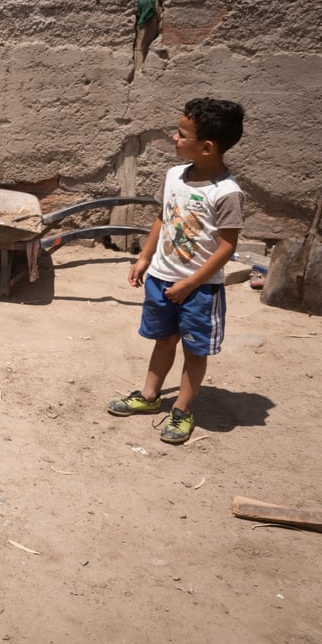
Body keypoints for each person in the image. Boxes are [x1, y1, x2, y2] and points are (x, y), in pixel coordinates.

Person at [106, 98, 245, 444]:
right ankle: (149, 397)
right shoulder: (173, 176)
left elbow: (227, 246)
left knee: (194, 350)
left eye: (182, 134)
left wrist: (191, 282)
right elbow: (162, 218)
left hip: (200, 289)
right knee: (163, 339)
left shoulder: (227, 193)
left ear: (207, 147)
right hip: (161, 278)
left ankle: (182, 410)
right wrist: (144, 258)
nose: (174, 138)